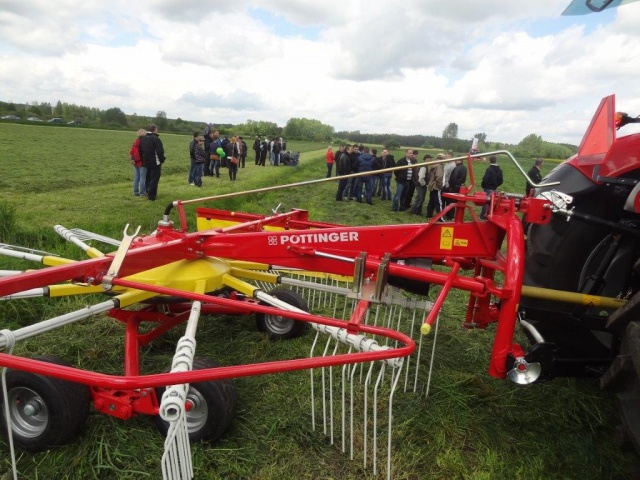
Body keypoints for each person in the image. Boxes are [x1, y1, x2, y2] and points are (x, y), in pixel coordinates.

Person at [138, 124, 165, 201]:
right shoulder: (155, 139)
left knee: (148, 178)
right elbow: (160, 151)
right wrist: (162, 160)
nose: (157, 130)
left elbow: (140, 150)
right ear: (154, 130)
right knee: (154, 179)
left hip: (146, 162)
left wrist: (143, 160)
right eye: (156, 129)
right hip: (155, 162)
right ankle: (151, 197)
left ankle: (147, 192)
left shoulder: (142, 139)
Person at [426, 154, 445, 219]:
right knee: (439, 203)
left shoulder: (433, 165)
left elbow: (429, 175)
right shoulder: (439, 166)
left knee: (431, 201)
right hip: (436, 186)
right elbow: (439, 177)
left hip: (431, 186)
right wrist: (440, 186)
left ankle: (429, 215)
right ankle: (440, 218)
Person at [129, 128, 147, 197]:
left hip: (135, 161)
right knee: (142, 178)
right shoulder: (144, 142)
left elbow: (131, 151)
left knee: (136, 177)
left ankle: (136, 192)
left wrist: (132, 159)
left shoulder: (136, 141)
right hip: (142, 162)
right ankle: (142, 192)